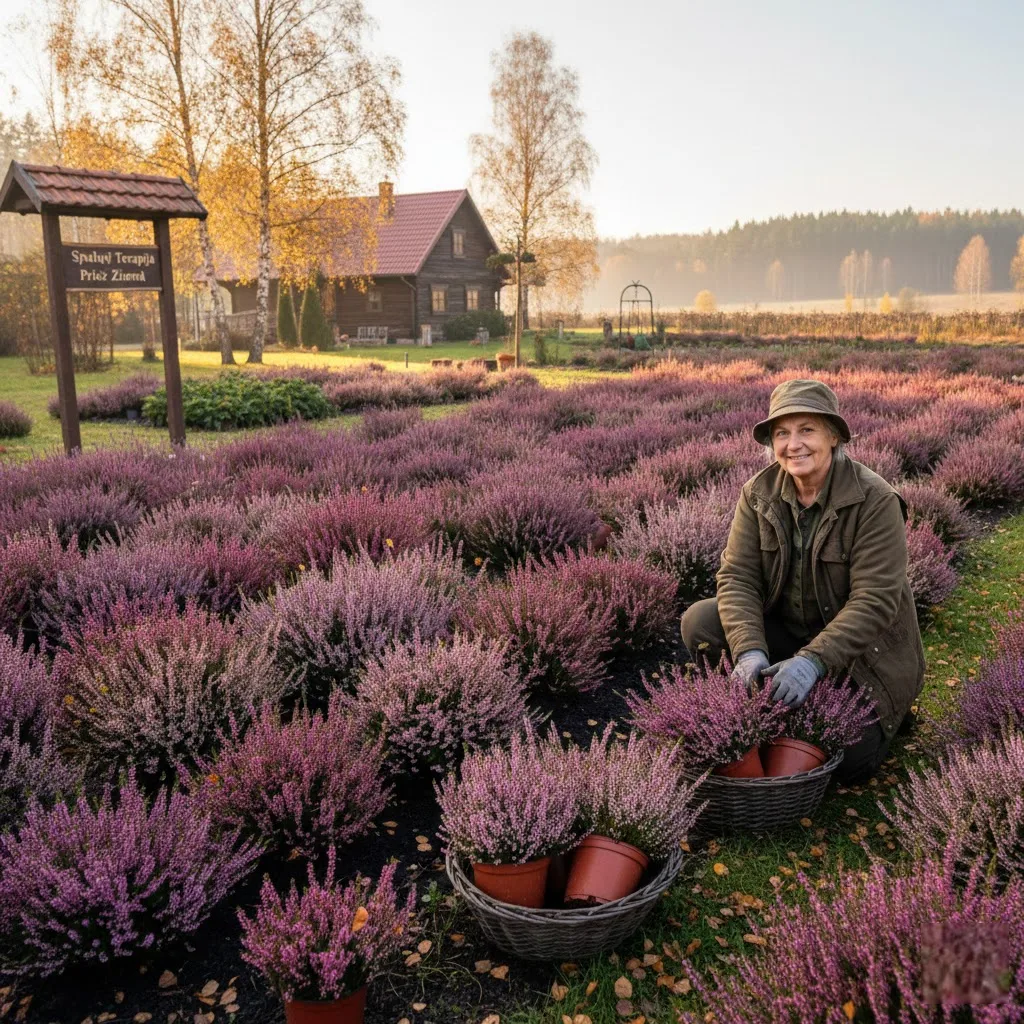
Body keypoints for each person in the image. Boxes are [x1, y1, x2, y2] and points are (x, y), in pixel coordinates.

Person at [680, 379, 925, 782]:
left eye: (807, 429)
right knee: (700, 622)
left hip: (863, 658)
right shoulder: (758, 493)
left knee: (848, 764)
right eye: (782, 433)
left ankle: (877, 719)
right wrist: (749, 652)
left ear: (833, 436)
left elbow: (875, 600)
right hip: (789, 633)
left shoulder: (876, 500)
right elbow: (737, 577)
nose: (793, 444)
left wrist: (813, 663)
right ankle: (760, 708)